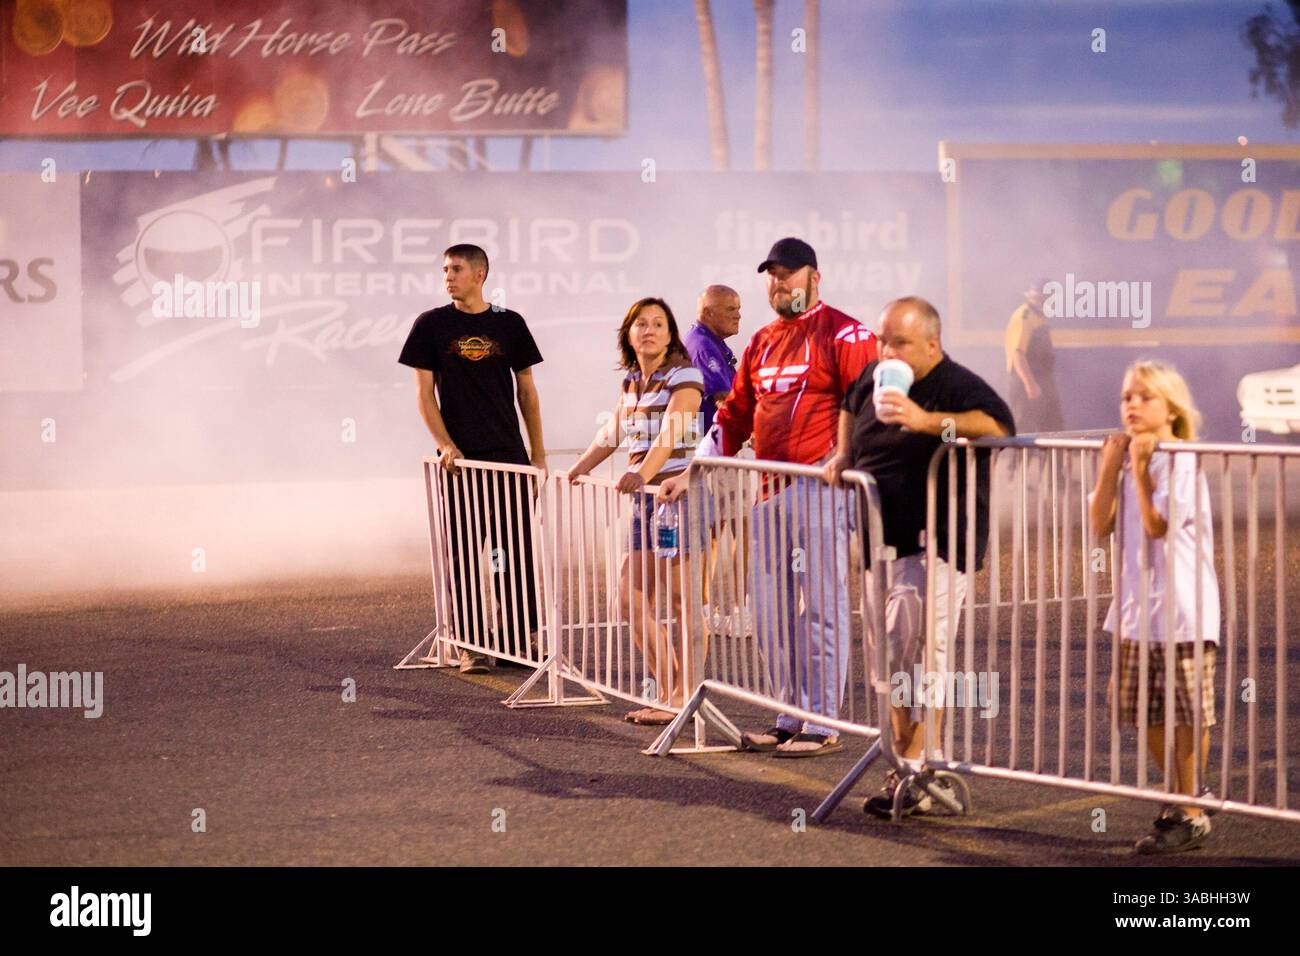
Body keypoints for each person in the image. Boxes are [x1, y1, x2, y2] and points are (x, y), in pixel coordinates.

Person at [660, 237, 877, 757]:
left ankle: (821, 723)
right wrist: (692, 472)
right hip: (768, 493)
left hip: (822, 491)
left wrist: (848, 462)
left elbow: (870, 410)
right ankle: (788, 717)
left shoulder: (847, 334)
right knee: (770, 613)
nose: (779, 283)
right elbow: (733, 416)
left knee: (821, 607)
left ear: (814, 278)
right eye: (772, 275)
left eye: (789, 273)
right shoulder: (761, 341)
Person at [825, 296, 1014, 816]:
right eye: (882, 340)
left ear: (933, 343)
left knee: (925, 654)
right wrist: (843, 453)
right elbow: (849, 402)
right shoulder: (873, 375)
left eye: (900, 342)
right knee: (887, 659)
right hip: (879, 541)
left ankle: (919, 770)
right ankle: (905, 765)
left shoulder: (955, 383)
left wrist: (926, 420)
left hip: (937, 543)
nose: (887, 351)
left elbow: (999, 427)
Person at [1088, 360, 1220, 854]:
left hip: (1184, 609)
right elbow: (1099, 523)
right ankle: (1187, 798)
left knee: (1186, 714)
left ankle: (1187, 810)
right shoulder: (1127, 458)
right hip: (1135, 609)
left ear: (1172, 409)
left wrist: (1141, 470)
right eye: (1127, 396)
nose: (1133, 405)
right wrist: (1111, 466)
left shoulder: (1182, 459)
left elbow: (1158, 524)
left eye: (1145, 397)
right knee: (1141, 711)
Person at [397, 244, 548, 674]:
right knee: (464, 551)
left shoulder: (509, 323)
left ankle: (516, 639)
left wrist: (537, 453)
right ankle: (470, 643)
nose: (448, 276)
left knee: (511, 550)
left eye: (457, 269)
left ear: (480, 274)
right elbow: (424, 395)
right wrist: (445, 444)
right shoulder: (431, 324)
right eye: (445, 269)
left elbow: (527, 391)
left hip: (508, 457)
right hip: (460, 462)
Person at [568, 297, 704, 726]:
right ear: (628, 333)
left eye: (658, 324)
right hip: (646, 500)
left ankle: (684, 695)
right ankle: (668, 692)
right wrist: (579, 467)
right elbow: (613, 430)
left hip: (677, 497)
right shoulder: (631, 381)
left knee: (681, 600)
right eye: (641, 324)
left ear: (670, 334)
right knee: (629, 598)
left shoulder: (684, 375)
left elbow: (671, 432)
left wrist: (641, 472)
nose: (649, 331)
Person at [682, 285, 746, 637]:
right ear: (708, 312)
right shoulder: (702, 344)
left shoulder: (709, 343)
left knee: (714, 532)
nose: (738, 315)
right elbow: (726, 398)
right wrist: (760, 429)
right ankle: (738, 610)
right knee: (741, 529)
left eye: (738, 308)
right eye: (731, 309)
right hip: (717, 451)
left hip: (712, 451)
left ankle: (706, 608)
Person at [1005, 280, 1063, 433]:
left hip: (1042, 381)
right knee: (1025, 430)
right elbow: (1017, 353)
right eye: (1038, 297)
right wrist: (1030, 384)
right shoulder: (1024, 317)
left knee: (1053, 429)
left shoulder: (1040, 317)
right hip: (1027, 383)